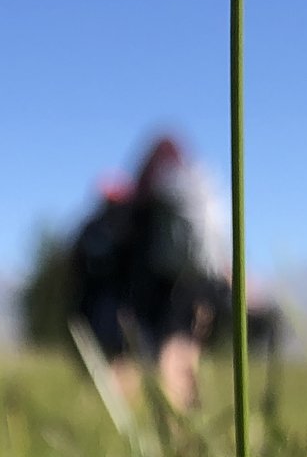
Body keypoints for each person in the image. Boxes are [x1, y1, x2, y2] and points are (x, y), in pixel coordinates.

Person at [69, 137, 232, 413]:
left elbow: (122, 244)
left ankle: (119, 417)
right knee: (182, 350)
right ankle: (187, 421)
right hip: (201, 286)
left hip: (159, 289)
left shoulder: (142, 194)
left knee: (133, 353)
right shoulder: (193, 191)